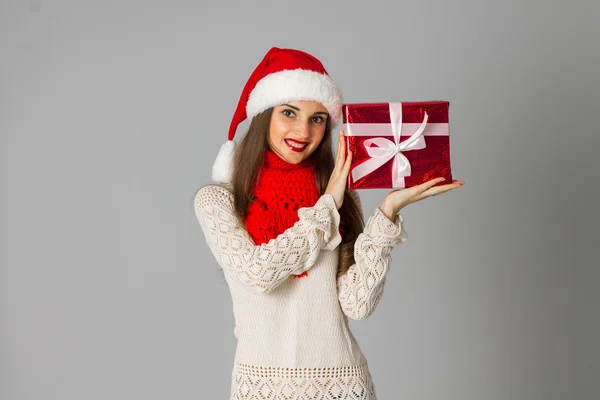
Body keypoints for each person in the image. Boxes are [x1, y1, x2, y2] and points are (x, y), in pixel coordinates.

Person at [193, 47, 464, 400]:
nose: (302, 130)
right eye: (289, 112)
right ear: (264, 116)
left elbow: (357, 304)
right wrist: (327, 206)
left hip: (343, 385)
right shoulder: (220, 200)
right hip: (261, 387)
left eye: (317, 118)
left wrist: (386, 215)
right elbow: (258, 274)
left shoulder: (337, 196)